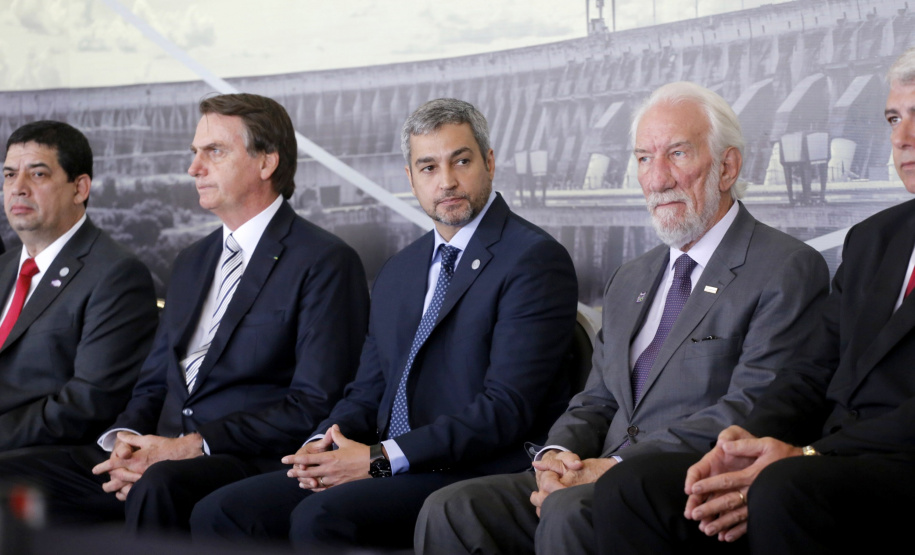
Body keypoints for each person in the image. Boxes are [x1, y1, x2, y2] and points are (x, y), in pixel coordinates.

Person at [415, 82, 830, 555]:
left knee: (573, 513)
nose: (658, 179)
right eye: (643, 159)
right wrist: (558, 458)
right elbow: (596, 400)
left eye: (677, 154)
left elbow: (751, 409)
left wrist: (613, 465)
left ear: (727, 167)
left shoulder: (785, 267)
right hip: (595, 475)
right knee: (452, 509)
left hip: (682, 485)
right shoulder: (631, 276)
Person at [189, 98, 580, 551]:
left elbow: (504, 409)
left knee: (322, 518)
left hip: (469, 471)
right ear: (410, 179)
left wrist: (378, 460)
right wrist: (325, 442)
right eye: (429, 167)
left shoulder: (533, 259)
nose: (447, 181)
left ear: (489, 162)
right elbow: (368, 389)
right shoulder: (401, 269)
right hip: (384, 461)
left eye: (462, 161)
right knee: (220, 513)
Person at [592, 47, 915, 555]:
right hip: (829, 459)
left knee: (784, 489)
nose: (901, 138)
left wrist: (808, 452)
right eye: (894, 118)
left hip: (888, 462)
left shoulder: (785, 265)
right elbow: (810, 372)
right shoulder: (874, 239)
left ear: (727, 167)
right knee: (633, 487)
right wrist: (739, 445)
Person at [0, 93, 370, 535]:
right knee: (11, 473)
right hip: (162, 448)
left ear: (267, 161)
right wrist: (127, 441)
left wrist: (191, 446)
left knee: (160, 483)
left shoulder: (324, 260)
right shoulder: (191, 260)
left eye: (213, 152)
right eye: (195, 154)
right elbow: (154, 381)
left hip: (244, 457)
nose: (194, 168)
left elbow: (313, 403)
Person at [0, 120, 157, 452]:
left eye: (38, 174)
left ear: (80, 188)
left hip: (45, 456)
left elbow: (87, 405)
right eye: (10, 174)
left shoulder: (117, 275)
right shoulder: (3, 268)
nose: (18, 187)